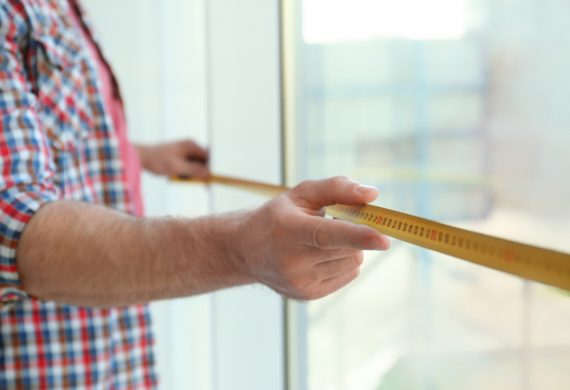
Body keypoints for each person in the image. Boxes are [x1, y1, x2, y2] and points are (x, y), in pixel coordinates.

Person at [0, 0, 390, 388]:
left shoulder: (62, 8)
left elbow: (40, 137)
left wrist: (133, 155)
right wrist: (242, 249)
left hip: (110, 365)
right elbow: (16, 234)